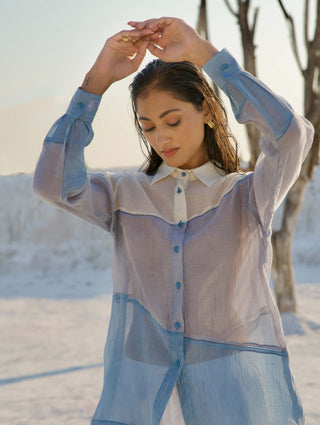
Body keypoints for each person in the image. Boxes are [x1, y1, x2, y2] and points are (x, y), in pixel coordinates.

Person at [33, 17, 313, 425]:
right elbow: (51, 184)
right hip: (142, 392)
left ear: (207, 111)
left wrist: (204, 54)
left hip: (230, 388)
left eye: (172, 120)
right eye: (148, 127)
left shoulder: (247, 195)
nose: (161, 138)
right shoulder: (125, 195)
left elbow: (291, 136)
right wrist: (95, 82)